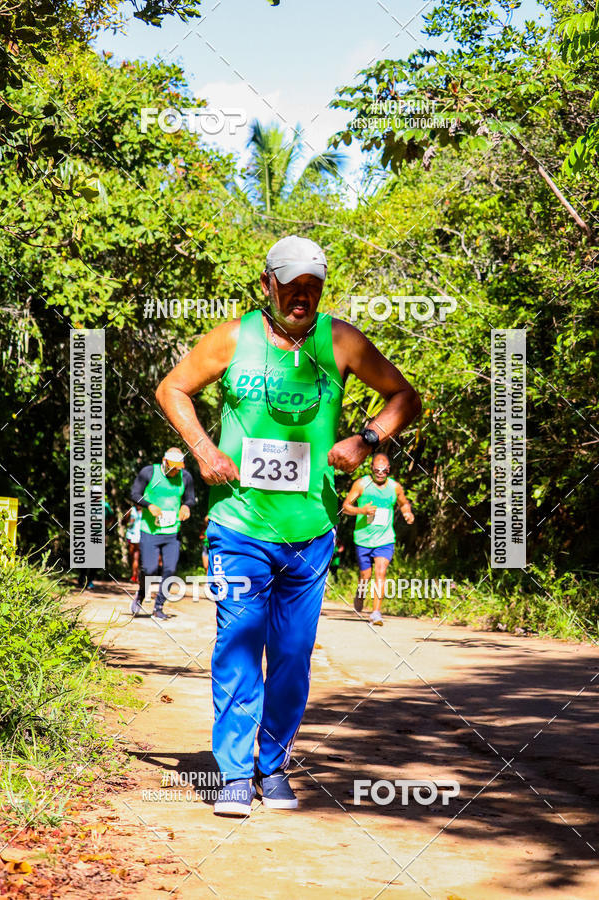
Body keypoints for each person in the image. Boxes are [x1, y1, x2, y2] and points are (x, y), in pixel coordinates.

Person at [155, 235, 421, 816]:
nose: (302, 297)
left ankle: (271, 766)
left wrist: (367, 437)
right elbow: (172, 388)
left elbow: (405, 396)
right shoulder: (234, 337)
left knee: (294, 654)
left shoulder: (341, 340)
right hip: (239, 524)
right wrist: (203, 448)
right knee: (239, 642)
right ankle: (231, 774)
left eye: (313, 288)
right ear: (267, 284)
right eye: (292, 286)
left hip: (311, 530)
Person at [343, 453, 414, 625]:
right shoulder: (361, 484)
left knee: (380, 573)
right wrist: (362, 511)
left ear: (389, 469)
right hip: (363, 539)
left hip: (385, 539)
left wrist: (407, 512)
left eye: (384, 470)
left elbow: (403, 502)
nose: (381, 473)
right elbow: (345, 507)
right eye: (377, 470)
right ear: (372, 469)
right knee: (365, 576)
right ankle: (360, 594)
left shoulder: (395, 487)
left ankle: (376, 612)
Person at [129, 448, 196, 621]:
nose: (175, 471)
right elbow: (134, 493)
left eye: (178, 468)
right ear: (164, 461)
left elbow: (190, 498)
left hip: (172, 531)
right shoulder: (149, 472)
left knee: (170, 569)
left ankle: (158, 607)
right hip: (149, 530)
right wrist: (148, 505)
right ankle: (141, 594)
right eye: (172, 467)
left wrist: (186, 507)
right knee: (149, 569)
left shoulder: (185, 477)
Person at [125, 504, 142, 583]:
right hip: (130, 536)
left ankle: (137, 576)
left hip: (140, 536)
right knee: (133, 556)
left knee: (137, 556)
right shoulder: (131, 510)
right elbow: (125, 520)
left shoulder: (145, 510)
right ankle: (135, 575)